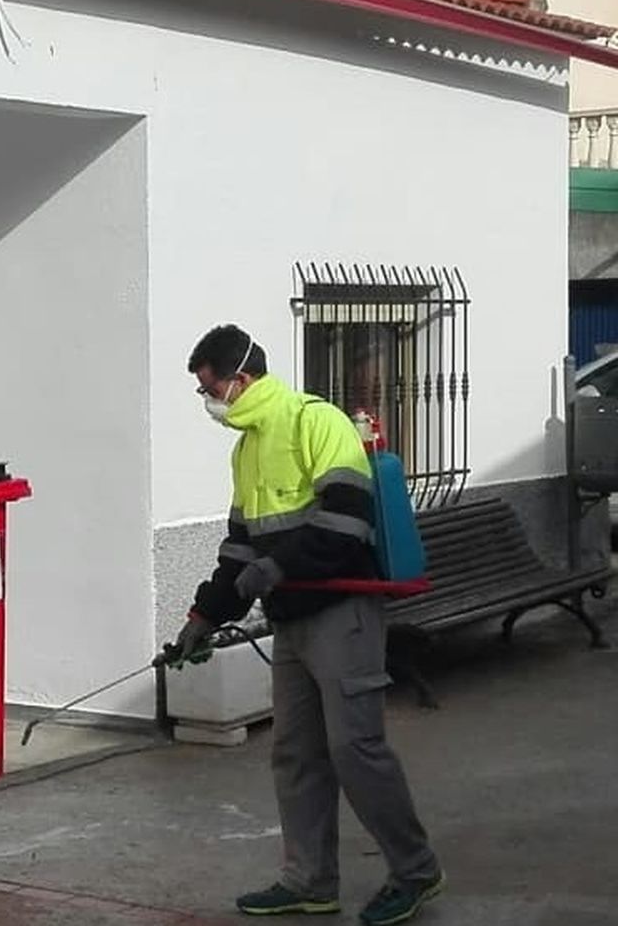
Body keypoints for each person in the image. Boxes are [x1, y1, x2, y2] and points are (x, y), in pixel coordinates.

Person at [175, 324, 445, 926]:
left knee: (355, 749)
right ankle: (310, 881)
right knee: (295, 754)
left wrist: (277, 566)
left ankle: (416, 871)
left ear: (240, 378)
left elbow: (348, 522)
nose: (209, 402)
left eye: (210, 389)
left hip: (341, 611)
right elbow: (240, 548)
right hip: (291, 620)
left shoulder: (313, 422)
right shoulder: (246, 447)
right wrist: (203, 615)